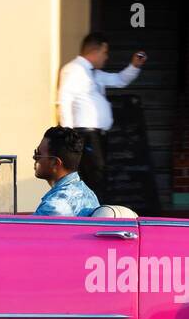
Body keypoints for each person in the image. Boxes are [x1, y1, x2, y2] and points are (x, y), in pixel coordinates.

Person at [57, 32, 146, 197]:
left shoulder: (95, 73)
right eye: (105, 53)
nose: (106, 57)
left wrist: (134, 66)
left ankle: (96, 215)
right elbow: (64, 101)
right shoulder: (73, 70)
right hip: (85, 134)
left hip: (98, 135)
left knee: (99, 176)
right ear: (95, 51)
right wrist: (69, 137)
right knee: (94, 177)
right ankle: (94, 218)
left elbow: (120, 80)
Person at [0, 126, 99, 217]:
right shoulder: (84, 193)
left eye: (39, 154)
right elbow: (30, 220)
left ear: (56, 163)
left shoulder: (58, 204)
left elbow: (8, 233)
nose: (34, 158)